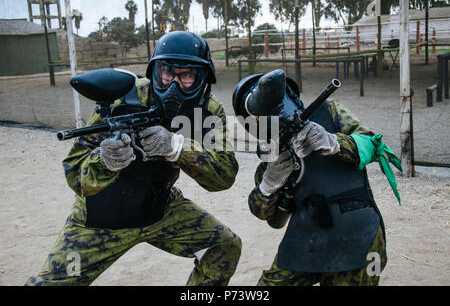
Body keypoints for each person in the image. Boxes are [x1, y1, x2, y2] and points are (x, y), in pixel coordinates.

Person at [26, 31, 241, 286]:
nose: (173, 84)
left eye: (186, 75)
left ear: (202, 78)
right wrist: (103, 160)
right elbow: (74, 173)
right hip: (99, 220)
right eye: (167, 73)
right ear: (155, 72)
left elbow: (224, 176)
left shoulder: (207, 110)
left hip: (159, 210)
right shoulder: (123, 98)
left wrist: (178, 147)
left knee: (225, 246)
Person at [232, 70, 402, 286]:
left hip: (358, 229)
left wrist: (333, 142)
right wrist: (268, 185)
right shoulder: (269, 158)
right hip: (306, 236)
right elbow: (267, 217)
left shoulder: (330, 112)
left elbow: (373, 145)